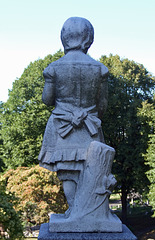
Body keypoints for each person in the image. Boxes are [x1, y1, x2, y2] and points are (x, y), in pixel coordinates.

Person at [38, 17, 109, 214]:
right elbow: (102, 104)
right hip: (90, 126)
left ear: (64, 38)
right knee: (91, 169)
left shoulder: (53, 68)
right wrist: (88, 117)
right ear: (89, 39)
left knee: (67, 170)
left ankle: (76, 211)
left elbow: (47, 99)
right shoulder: (100, 69)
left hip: (62, 128)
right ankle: (83, 213)